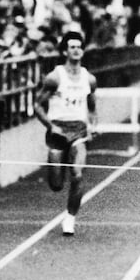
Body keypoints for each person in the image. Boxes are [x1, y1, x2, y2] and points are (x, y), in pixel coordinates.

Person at [33, 31, 97, 236]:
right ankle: (55, 167)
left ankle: (70, 218)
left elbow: (92, 107)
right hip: (58, 131)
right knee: (56, 185)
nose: (76, 50)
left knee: (78, 176)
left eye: (79, 46)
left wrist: (94, 124)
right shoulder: (54, 77)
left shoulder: (89, 78)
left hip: (78, 131)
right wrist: (51, 126)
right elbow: (37, 105)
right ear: (64, 51)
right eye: (72, 46)